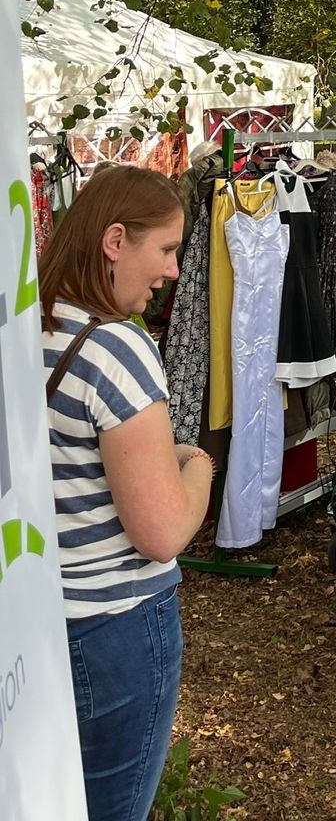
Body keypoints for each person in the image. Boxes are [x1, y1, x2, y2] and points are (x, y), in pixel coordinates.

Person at [41, 166, 215, 821]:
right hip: (115, 631)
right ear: (116, 240)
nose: (172, 271)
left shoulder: (33, 328)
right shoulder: (116, 347)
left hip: (40, 622)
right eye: (166, 250)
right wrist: (196, 466)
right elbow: (163, 531)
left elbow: (71, 467)